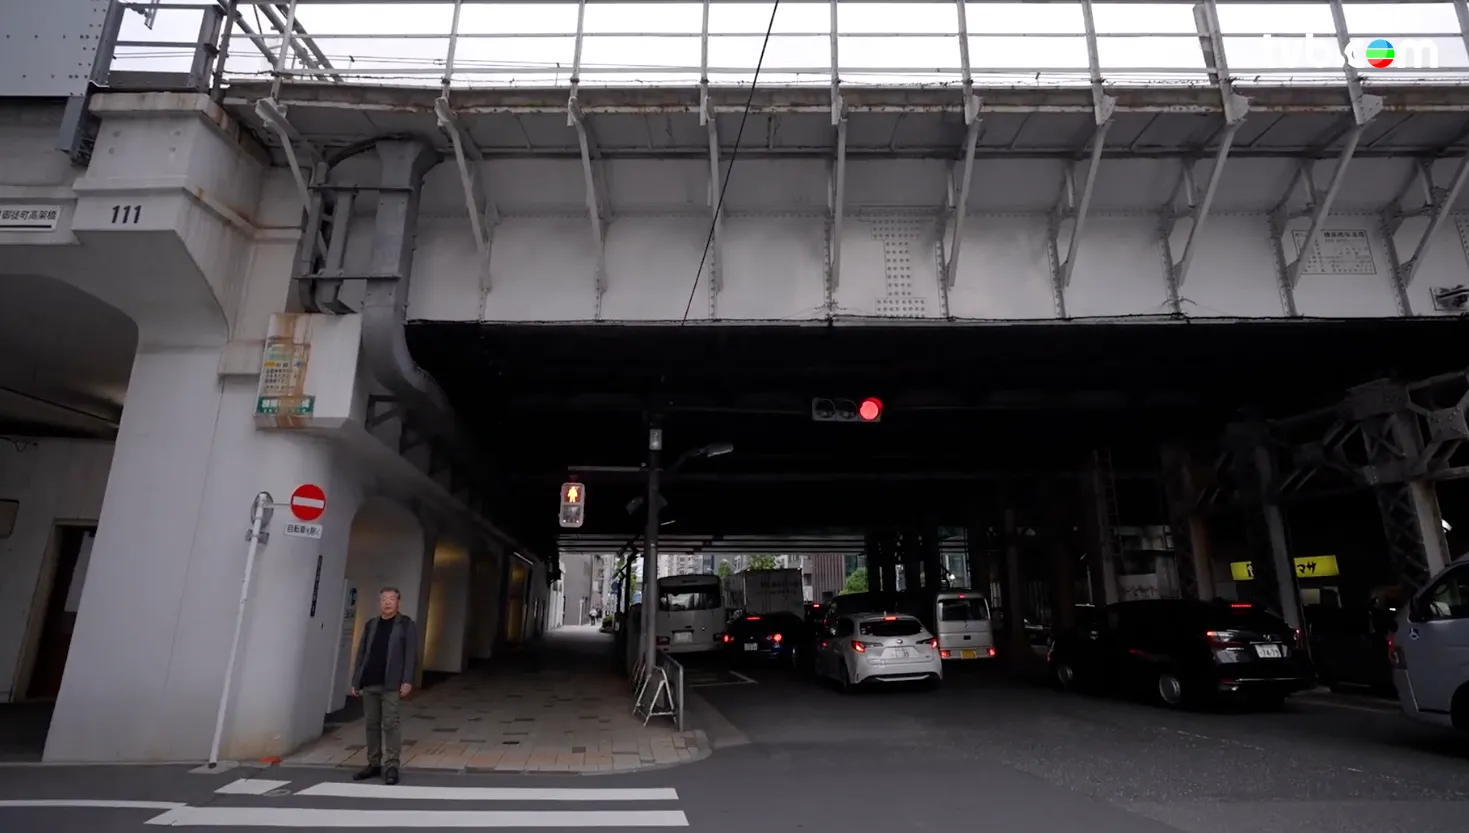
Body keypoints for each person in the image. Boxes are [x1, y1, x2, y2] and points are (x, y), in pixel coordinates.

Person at [349, 587, 419, 785]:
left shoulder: (406, 625)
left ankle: (392, 765)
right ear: (379, 602)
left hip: (391, 683)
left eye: (391, 599)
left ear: (398, 602)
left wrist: (407, 680)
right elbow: (362, 653)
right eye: (384, 599)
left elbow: (411, 654)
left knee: (390, 723)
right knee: (371, 724)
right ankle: (373, 763)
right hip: (370, 681)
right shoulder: (371, 624)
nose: (387, 602)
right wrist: (356, 680)